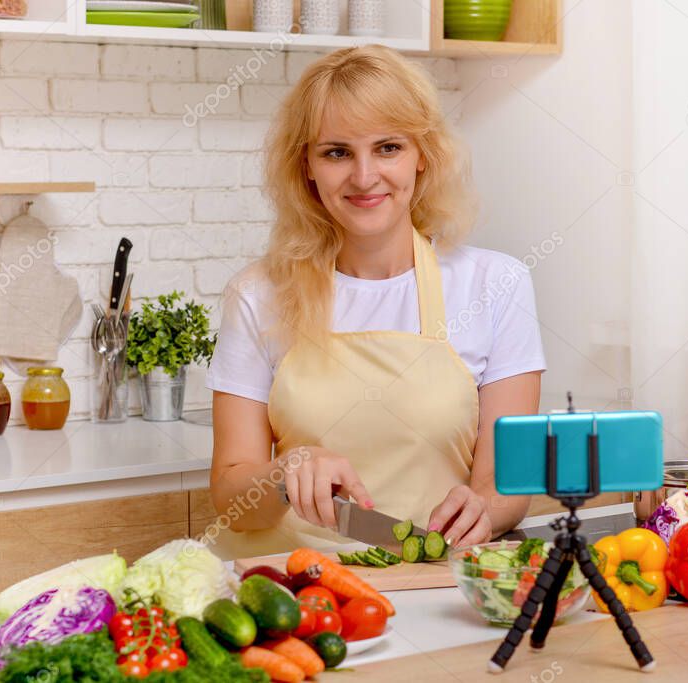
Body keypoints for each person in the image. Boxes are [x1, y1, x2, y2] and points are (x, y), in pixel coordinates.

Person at [205, 44, 546, 560]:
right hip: (295, 583)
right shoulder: (257, 295)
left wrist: (485, 507)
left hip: (438, 576)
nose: (364, 177)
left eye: (388, 147)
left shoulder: (496, 284)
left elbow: (505, 480)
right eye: (337, 152)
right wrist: (283, 474)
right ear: (307, 168)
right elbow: (231, 499)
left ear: (423, 156)